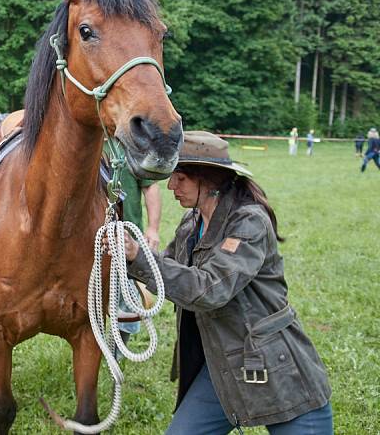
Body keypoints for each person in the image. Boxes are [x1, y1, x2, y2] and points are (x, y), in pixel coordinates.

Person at [125, 131, 333, 434]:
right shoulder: (191, 223)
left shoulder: (249, 222)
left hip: (278, 367)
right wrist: (123, 256)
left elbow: (208, 290)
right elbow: (165, 271)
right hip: (221, 364)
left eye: (180, 178)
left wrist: (139, 259)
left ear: (207, 180)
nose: (171, 186)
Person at [115, 166, 160, 357]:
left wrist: (153, 227)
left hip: (128, 241)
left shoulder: (133, 145)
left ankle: (118, 351)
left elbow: (150, 187)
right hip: (86, 241)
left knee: (128, 301)